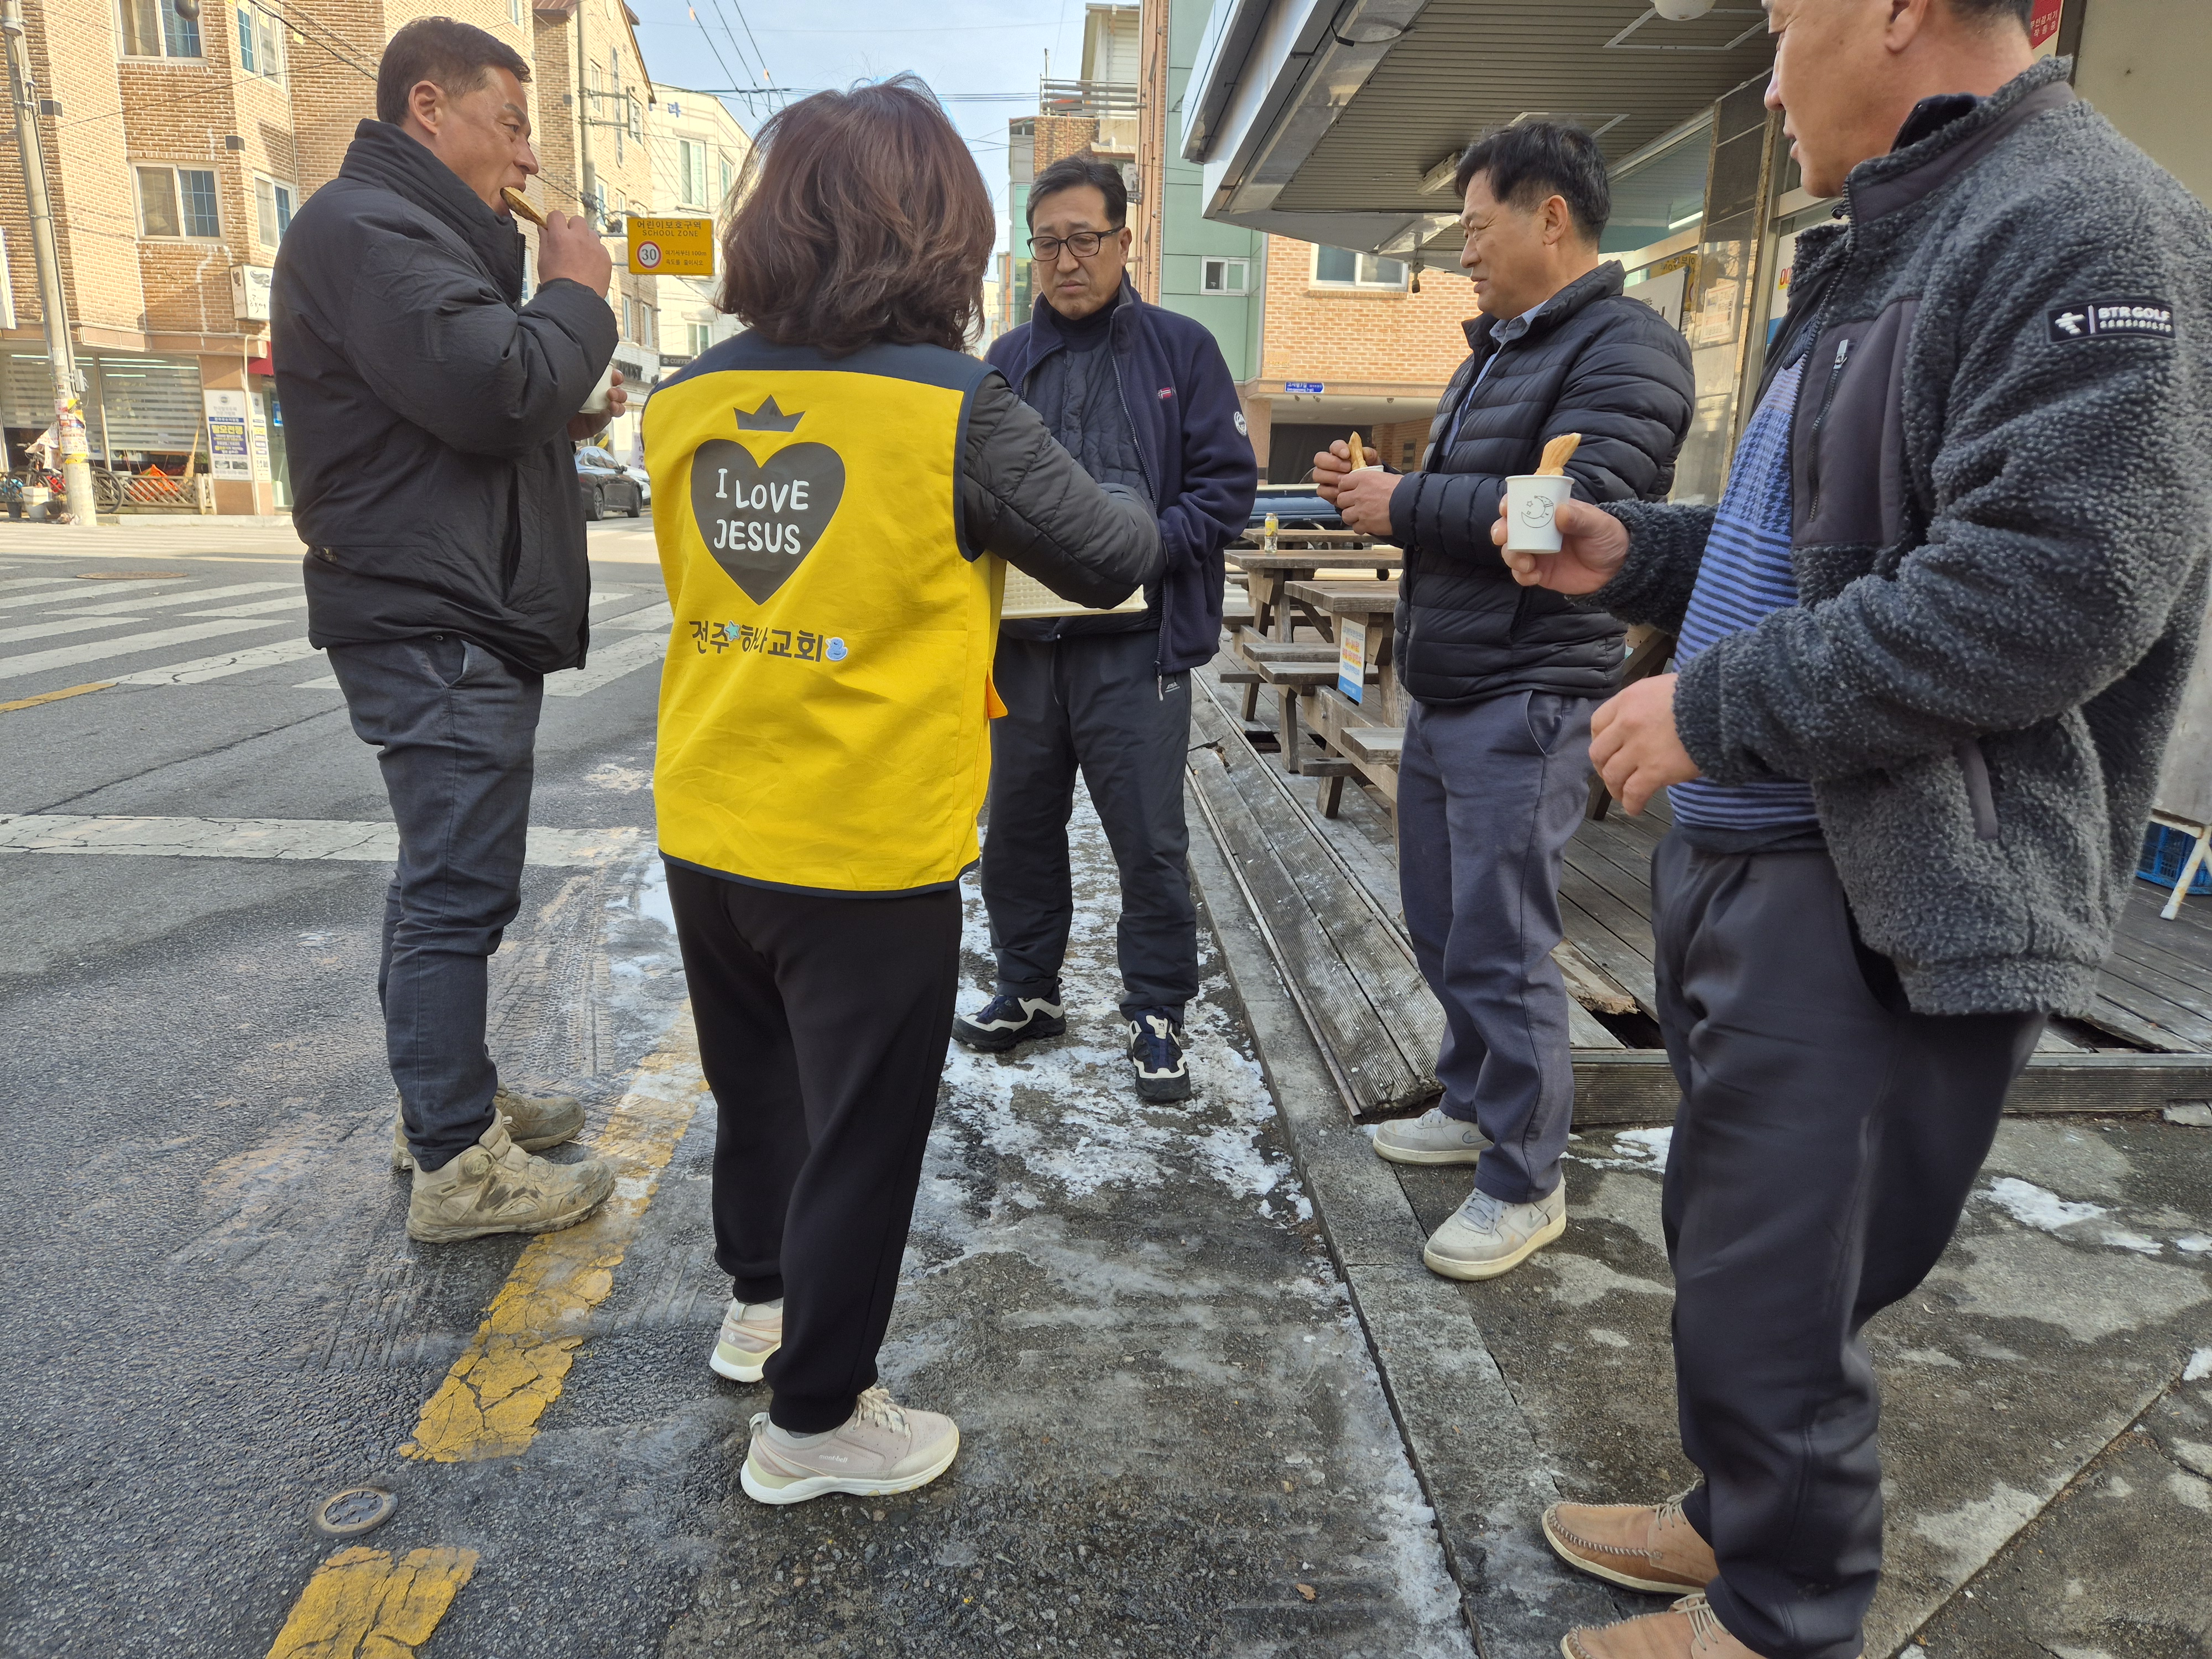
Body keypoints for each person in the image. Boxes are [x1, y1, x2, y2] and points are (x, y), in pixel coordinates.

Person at [1500, 3, 2211, 1656]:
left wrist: (1712, 708)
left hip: (1880, 876)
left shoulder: (2086, 223)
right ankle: (1736, 1518)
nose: (1764, 80)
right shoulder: (1891, 234)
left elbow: (2052, 588)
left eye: (1781, 24)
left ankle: (1783, 1612)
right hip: (1761, 851)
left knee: (1783, 1276)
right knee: (1732, 1242)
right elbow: (1824, 545)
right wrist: (1641, 554)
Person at [641, 78, 1160, 1505]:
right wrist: (1123, 485)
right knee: (861, 1134)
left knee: (758, 1093)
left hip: (710, 810)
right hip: (862, 840)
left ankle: (761, 1309)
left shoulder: (682, 398)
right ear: (934, 232)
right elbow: (1106, 555)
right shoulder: (952, 405)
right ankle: (816, 1422)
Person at [1313, 122, 1693, 1281]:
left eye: (1476, 230)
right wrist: (1374, 491)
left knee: (1502, 940)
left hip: (1529, 693)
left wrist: (1403, 500)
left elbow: (1567, 513)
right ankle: (1474, 1100)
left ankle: (1526, 1179)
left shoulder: (1628, 350)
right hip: (1452, 682)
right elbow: (1471, 503)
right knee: (1443, 924)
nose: (1463, 254)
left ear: (1550, 218)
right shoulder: (1495, 353)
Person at [273, 17, 627, 1243]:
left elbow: (474, 400)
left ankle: (443, 1101)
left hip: (445, 605)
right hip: (435, 616)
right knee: (455, 891)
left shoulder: (411, 232)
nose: (527, 158)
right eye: (512, 124)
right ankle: (456, 1163)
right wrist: (575, 293)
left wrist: (560, 389)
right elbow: (494, 386)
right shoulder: (371, 227)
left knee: (442, 880)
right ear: (430, 106)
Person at [953, 155, 1258, 1102]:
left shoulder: (1181, 352)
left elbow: (1226, 490)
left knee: (1149, 842)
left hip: (1137, 648)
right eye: (1046, 244)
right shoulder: (1004, 364)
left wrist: (1144, 550)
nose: (1066, 261)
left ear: (1126, 240)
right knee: (1017, 833)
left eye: (1084, 239)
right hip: (1024, 650)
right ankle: (1028, 989)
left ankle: (1158, 1009)